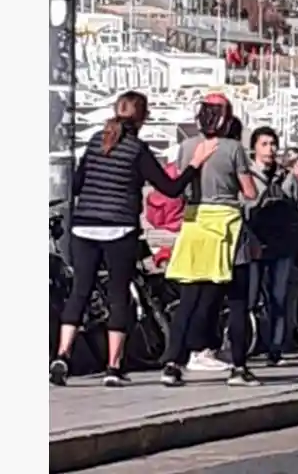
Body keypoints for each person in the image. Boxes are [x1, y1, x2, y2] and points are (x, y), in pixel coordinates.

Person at [51, 90, 218, 388]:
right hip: (119, 230)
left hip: (84, 228)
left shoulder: (95, 142)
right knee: (118, 297)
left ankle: (62, 355)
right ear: (142, 118)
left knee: (79, 293)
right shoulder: (136, 149)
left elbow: (76, 184)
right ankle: (113, 367)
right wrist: (195, 164)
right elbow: (170, 188)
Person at [157, 93, 260, 388]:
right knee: (238, 300)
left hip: (194, 224)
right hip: (227, 226)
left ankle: (173, 364)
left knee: (188, 300)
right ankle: (239, 367)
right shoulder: (233, 148)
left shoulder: (187, 147)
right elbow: (250, 192)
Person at [241, 127, 298, 366]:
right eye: (265, 144)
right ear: (254, 148)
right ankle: (244, 345)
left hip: (282, 245)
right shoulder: (246, 175)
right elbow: (242, 207)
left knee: (279, 298)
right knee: (249, 298)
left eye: (273, 144)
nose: (270, 149)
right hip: (254, 244)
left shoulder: (285, 177)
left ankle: (275, 349)